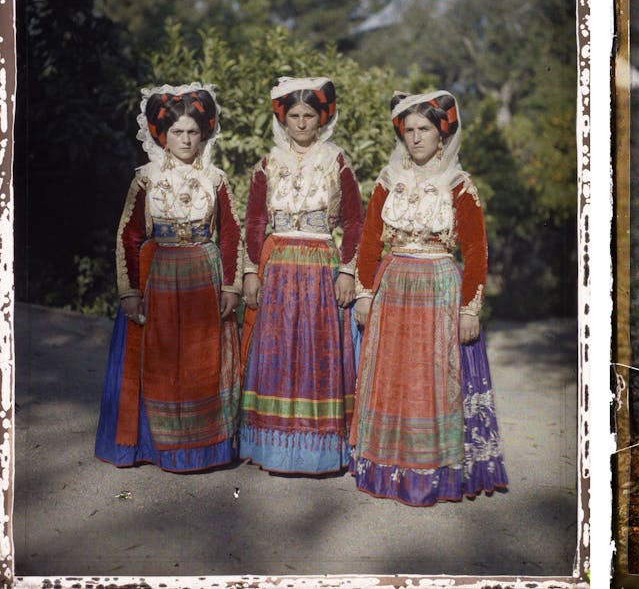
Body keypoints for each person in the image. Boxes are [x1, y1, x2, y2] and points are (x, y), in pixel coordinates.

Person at [351, 91, 507, 505]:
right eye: (409, 131)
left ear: (442, 134)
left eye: (425, 129)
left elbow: (476, 251)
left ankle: (434, 472)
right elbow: (369, 242)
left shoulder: (458, 184)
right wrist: (365, 294)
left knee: (434, 376)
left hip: (439, 286)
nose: (416, 138)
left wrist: (469, 309)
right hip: (394, 283)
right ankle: (389, 468)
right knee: (395, 376)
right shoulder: (388, 181)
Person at [95, 83, 242, 471]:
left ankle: (204, 448)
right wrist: (129, 292)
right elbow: (128, 234)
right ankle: (153, 446)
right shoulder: (146, 177)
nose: (186, 139)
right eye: (177, 132)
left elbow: (230, 232)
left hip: (203, 273)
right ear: (162, 134)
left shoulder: (216, 178)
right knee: (159, 357)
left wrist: (231, 285)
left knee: (201, 358)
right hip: (158, 274)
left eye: (193, 132)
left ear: (205, 132)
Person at [239, 77, 363, 475]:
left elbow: (356, 222)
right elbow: (255, 220)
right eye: (294, 116)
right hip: (278, 269)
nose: (302, 124)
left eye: (309, 115)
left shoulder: (336, 160)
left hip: (319, 268)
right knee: (277, 348)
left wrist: (347, 271)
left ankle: (318, 451)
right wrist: (252, 272)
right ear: (283, 118)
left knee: (316, 349)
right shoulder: (268, 163)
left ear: (321, 117)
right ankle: (273, 448)